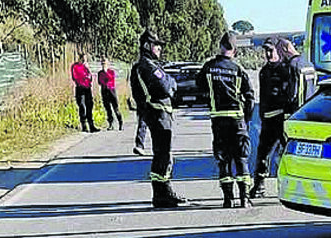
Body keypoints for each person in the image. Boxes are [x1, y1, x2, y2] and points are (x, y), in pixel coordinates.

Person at [196, 31, 255, 208]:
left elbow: (199, 87)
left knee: (224, 159)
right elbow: (250, 97)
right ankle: (245, 199)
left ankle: (228, 199)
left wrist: (211, 98)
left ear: (220, 47)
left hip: (218, 120)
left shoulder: (208, 67)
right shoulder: (239, 70)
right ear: (235, 51)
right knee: (241, 159)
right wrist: (246, 119)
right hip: (237, 120)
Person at [129, 29, 187, 208]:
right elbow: (166, 86)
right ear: (147, 46)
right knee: (163, 155)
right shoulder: (146, 66)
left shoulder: (149, 65)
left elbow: (169, 82)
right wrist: (171, 84)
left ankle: (163, 191)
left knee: (162, 155)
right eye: (157, 46)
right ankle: (162, 194)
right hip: (157, 114)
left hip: (159, 114)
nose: (160, 49)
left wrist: (170, 82)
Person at [248, 37, 291, 198]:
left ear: (278, 51)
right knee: (263, 154)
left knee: (288, 154)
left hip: (282, 118)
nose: (267, 54)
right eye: (265, 50)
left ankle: (291, 186)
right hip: (268, 120)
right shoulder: (264, 71)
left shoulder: (286, 69)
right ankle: (259, 186)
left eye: (270, 50)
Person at [278, 37, 318, 115]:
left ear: (284, 49)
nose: (280, 56)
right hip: (311, 107)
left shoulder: (292, 65)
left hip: (298, 110)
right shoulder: (309, 64)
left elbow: (292, 93)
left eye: (280, 52)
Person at [70, 52, 99, 132]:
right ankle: (84, 125)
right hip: (80, 88)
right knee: (82, 106)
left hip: (87, 88)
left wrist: (87, 70)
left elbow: (90, 78)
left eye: (86, 59)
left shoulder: (85, 67)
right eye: (83, 58)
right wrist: (84, 78)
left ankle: (91, 125)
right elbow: (75, 77)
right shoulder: (75, 66)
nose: (84, 60)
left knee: (89, 106)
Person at [98, 58, 123, 131]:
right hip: (104, 91)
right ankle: (110, 124)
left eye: (105, 63)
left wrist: (106, 73)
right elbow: (100, 82)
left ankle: (120, 121)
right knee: (108, 108)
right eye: (102, 63)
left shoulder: (111, 72)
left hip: (111, 91)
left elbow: (111, 79)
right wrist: (104, 78)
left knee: (116, 108)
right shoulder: (100, 73)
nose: (103, 64)